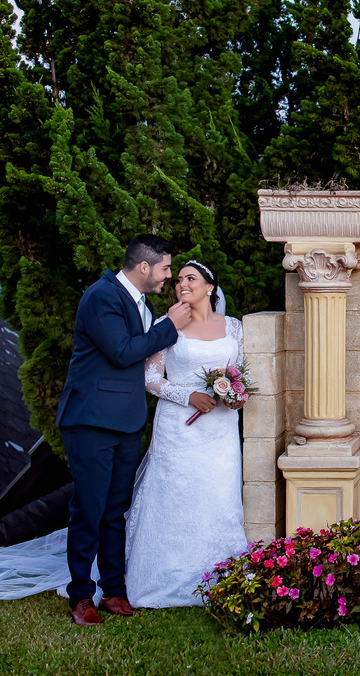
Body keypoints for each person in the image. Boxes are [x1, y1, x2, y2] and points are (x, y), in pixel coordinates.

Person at [56, 234, 191, 625]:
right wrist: (170, 327)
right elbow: (121, 352)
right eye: (165, 268)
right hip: (91, 420)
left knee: (116, 511)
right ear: (144, 267)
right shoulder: (101, 297)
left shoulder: (143, 303)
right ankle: (81, 596)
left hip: (127, 421)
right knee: (89, 509)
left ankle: (114, 590)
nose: (169, 276)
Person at [124, 260, 248, 607]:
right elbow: (150, 379)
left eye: (191, 278)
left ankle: (220, 573)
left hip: (220, 428)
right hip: (178, 427)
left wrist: (234, 395)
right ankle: (164, 576)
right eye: (178, 279)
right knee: (176, 494)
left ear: (210, 287)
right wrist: (188, 396)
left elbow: (241, 373)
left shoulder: (234, 327)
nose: (182, 284)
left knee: (217, 493)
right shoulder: (167, 325)